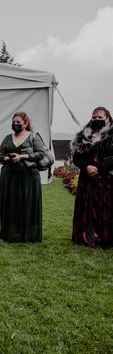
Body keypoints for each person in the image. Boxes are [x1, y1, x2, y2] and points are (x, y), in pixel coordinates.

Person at [0, 111, 45, 242]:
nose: (15, 124)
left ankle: (27, 234)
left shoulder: (33, 136)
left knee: (27, 203)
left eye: (18, 122)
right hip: (9, 177)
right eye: (13, 122)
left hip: (29, 176)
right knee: (10, 204)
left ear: (26, 123)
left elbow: (40, 153)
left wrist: (22, 156)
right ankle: (6, 234)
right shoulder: (7, 138)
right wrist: (8, 158)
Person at [71, 106, 113, 248]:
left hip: (105, 179)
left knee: (103, 208)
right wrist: (86, 167)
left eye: (100, 117)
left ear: (107, 119)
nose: (96, 119)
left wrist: (99, 167)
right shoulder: (84, 135)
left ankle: (103, 238)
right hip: (86, 179)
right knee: (86, 207)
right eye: (94, 117)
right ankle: (84, 237)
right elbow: (76, 158)